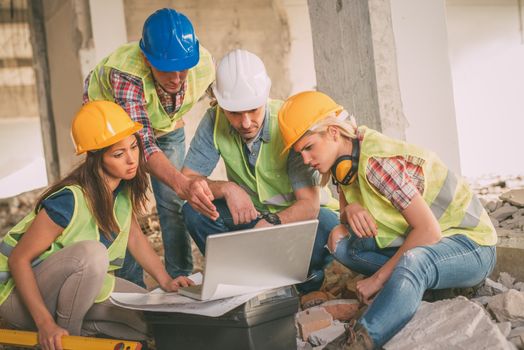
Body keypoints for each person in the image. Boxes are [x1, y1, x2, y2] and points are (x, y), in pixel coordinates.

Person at [277, 91, 497, 349]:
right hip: (438, 244)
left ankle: (361, 339)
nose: (305, 160)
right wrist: (350, 210)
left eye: (308, 147)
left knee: (414, 261)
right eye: (300, 152)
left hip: (471, 246)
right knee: (340, 242)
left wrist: (379, 279)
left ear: (333, 132)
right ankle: (419, 289)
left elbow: (428, 231)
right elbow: (346, 218)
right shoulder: (344, 163)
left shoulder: (376, 163)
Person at [0, 101, 193, 350]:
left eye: (133, 147)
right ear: (96, 158)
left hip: (71, 289)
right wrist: (46, 323)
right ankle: (66, 340)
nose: (131, 159)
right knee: (92, 254)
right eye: (118, 154)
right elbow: (18, 260)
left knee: (145, 323)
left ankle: (80, 329)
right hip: (19, 297)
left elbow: (133, 236)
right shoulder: (69, 200)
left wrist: (166, 281)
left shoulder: (121, 190)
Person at [181, 49, 339, 292]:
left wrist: (272, 223)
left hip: (295, 219)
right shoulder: (214, 121)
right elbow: (188, 181)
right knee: (195, 209)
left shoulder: (287, 121)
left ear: (265, 97)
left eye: (253, 110)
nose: (245, 123)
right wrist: (226, 188)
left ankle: (306, 281)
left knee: (327, 224)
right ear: (220, 104)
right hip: (252, 218)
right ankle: (238, 282)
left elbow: (309, 205)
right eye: (234, 113)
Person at [83, 8, 218, 286]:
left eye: (183, 68)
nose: (178, 78)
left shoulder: (203, 63)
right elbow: (141, 144)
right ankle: (130, 285)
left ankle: (180, 277)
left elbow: (229, 107)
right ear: (146, 58)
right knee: (120, 205)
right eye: (167, 70)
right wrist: (182, 182)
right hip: (112, 129)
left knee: (172, 200)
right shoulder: (127, 75)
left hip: (164, 123)